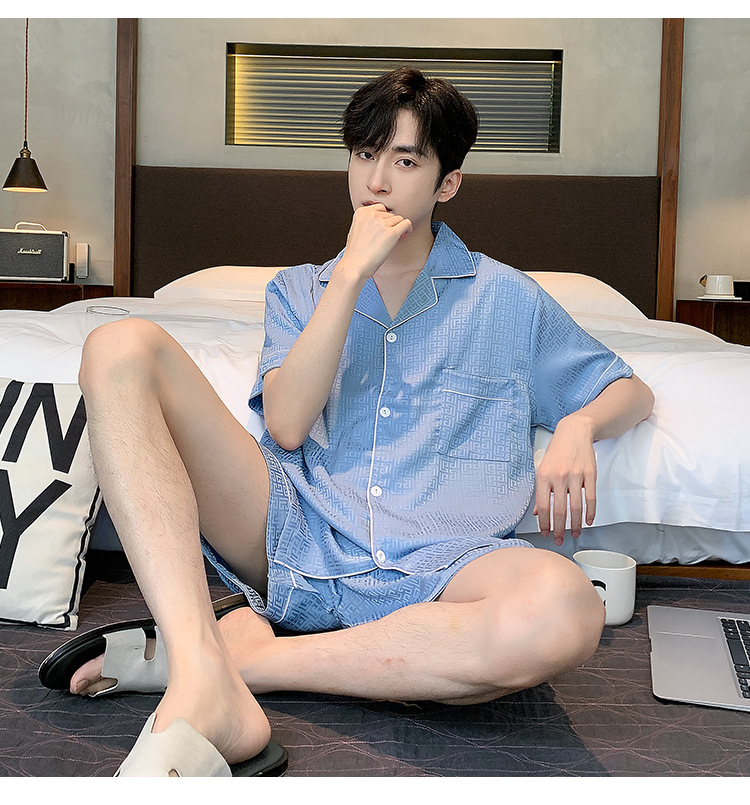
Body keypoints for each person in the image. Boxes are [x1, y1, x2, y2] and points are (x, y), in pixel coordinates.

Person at [50, 67, 654, 776]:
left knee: (568, 609)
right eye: (365, 155)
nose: (377, 181)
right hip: (295, 530)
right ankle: (207, 655)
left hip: (444, 563)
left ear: (448, 183)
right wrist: (348, 277)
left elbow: (630, 390)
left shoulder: (509, 299)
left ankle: (227, 664)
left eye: (406, 161)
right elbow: (287, 426)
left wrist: (578, 424)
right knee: (117, 344)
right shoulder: (299, 289)